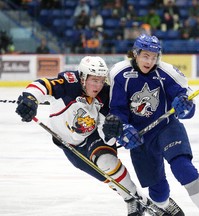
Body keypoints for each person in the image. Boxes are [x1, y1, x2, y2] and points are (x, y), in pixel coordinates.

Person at [15, 56, 150, 216]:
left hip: (93, 136)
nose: (98, 85)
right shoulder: (69, 83)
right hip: (69, 144)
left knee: (106, 161)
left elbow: (109, 134)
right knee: (106, 176)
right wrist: (30, 98)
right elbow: (43, 85)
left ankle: (134, 199)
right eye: (94, 80)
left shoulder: (105, 94)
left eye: (101, 80)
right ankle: (135, 198)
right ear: (83, 78)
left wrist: (112, 130)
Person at [106, 34, 199, 216]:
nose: (150, 61)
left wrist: (185, 106)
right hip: (140, 138)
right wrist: (124, 129)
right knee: (158, 194)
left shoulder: (167, 73)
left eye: (153, 57)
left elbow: (187, 103)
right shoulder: (120, 73)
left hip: (167, 128)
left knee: (183, 167)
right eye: (145, 56)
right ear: (135, 54)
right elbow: (117, 110)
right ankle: (165, 204)